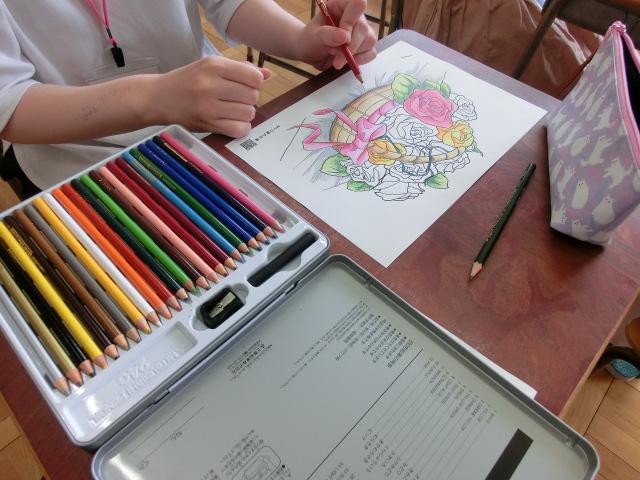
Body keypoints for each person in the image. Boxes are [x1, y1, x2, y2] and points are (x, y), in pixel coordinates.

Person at [0, 0, 377, 192]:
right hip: (75, 166)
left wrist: (299, 39)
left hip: (205, 132)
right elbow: (9, 101)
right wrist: (153, 97)